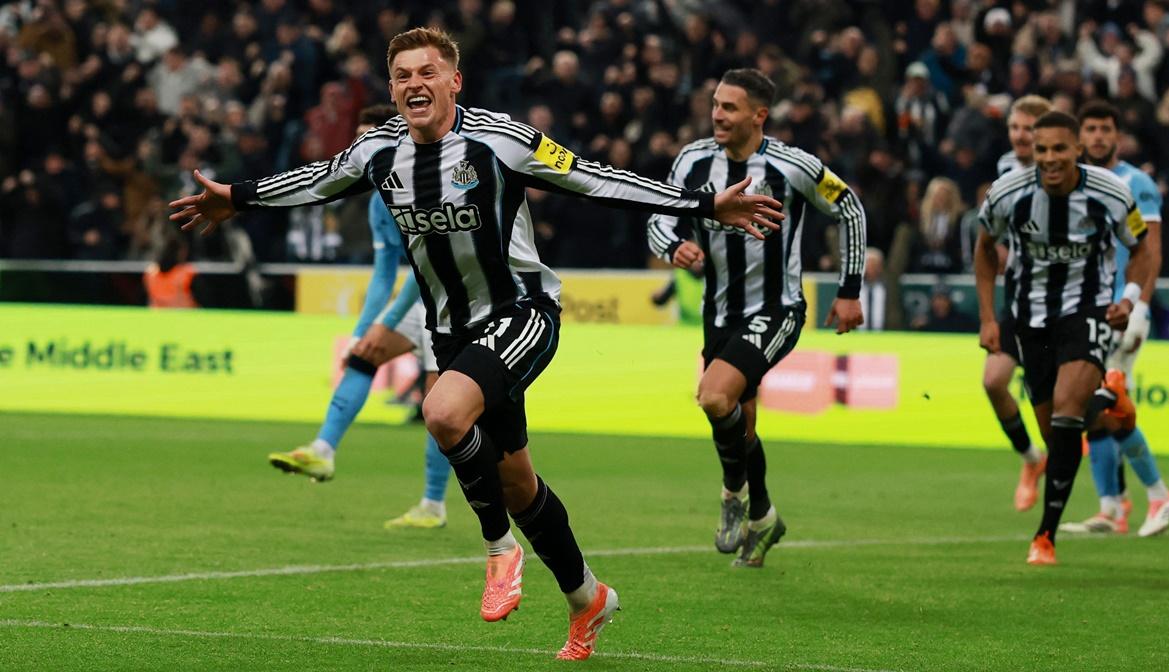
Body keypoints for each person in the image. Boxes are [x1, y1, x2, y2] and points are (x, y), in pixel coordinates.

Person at [169, 27, 782, 660]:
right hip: (452, 328)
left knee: (441, 411)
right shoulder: (378, 151)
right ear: (392, 87)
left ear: (454, 81)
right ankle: (587, 597)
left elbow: (597, 179)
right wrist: (235, 199)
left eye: (428, 72)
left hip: (523, 311)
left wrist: (704, 205)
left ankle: (499, 548)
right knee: (517, 482)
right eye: (402, 75)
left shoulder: (502, 141)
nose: (415, 84)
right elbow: (316, 180)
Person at [646, 68, 865, 569]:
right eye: (716, 104)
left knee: (714, 395)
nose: (717, 115)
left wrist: (849, 292)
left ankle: (732, 496)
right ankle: (765, 518)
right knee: (738, 423)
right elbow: (660, 215)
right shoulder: (693, 160)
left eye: (729, 107)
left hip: (777, 309)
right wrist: (672, 244)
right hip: (718, 312)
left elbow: (849, 208)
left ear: (759, 115)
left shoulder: (794, 167)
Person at [975, 111, 1154, 565]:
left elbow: (1142, 248)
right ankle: (1113, 406)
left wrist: (1130, 298)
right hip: (1028, 316)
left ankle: (1045, 536)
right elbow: (983, 248)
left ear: (1077, 148)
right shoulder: (1008, 193)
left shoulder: (1112, 193)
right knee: (1059, 435)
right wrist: (988, 318)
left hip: (1086, 309)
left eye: (1059, 148)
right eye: (1042, 150)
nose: (1050, 159)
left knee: (1067, 413)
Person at [266, 104, 452, 530]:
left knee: (437, 406)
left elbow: (426, 265)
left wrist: (385, 323)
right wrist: (362, 328)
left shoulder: (423, 187)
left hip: (451, 299)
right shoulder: (376, 203)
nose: (363, 149)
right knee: (363, 354)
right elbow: (386, 271)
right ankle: (323, 450)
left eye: (373, 138)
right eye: (359, 140)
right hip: (420, 295)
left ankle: (433, 504)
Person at [1059, 101, 1169, 537]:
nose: (1096, 136)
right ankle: (1112, 507)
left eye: (1104, 129)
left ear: (1117, 135)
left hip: (1123, 310)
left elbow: (1153, 249)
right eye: (1089, 128)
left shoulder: (1137, 182)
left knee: (1103, 401)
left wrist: (1142, 305)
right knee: (1096, 407)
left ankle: (1158, 495)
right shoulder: (1079, 182)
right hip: (1088, 310)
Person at [984, 95, 1053, 513]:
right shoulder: (1006, 169)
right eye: (1015, 128)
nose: (1020, 136)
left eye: (1029, 128)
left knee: (1066, 405)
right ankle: (1032, 460)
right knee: (994, 382)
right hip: (1022, 298)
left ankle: (1114, 497)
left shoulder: (1068, 173)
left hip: (1065, 302)